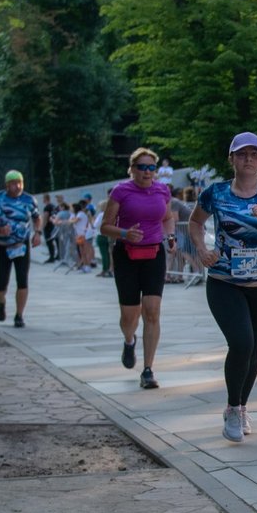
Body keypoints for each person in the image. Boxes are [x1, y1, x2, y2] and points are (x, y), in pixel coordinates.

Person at [189, 131, 257, 442]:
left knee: (253, 350)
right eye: (241, 154)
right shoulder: (216, 192)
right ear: (231, 159)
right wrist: (201, 249)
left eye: (254, 154)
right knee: (241, 343)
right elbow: (195, 222)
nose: (248, 159)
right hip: (225, 281)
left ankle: (241, 406)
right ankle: (232, 408)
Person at [100, 147, 177, 389]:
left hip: (154, 253)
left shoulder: (162, 190)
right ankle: (129, 339)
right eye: (141, 167)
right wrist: (125, 233)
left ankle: (148, 370)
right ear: (132, 169)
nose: (147, 172)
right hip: (126, 255)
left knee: (152, 311)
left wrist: (172, 236)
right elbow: (105, 226)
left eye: (151, 167)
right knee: (129, 315)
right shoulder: (121, 191)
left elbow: (167, 217)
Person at [0, 170, 42, 327]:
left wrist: (37, 233)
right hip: (2, 245)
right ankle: (1, 302)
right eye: (14, 183)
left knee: (22, 280)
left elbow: (37, 218)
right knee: (1, 282)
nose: (18, 186)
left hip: (21, 245)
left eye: (20, 183)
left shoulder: (29, 200)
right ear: (7, 185)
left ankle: (19, 315)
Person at [93, 199, 113, 278]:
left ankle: (105, 269)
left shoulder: (101, 214)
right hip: (108, 234)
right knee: (108, 254)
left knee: (104, 254)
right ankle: (108, 269)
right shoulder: (110, 213)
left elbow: (96, 225)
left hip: (101, 234)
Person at [41, 193, 59, 262]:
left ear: (45, 199)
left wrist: (43, 227)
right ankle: (58, 255)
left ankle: (51, 257)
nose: (43, 200)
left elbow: (46, 217)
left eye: (43, 198)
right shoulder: (54, 206)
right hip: (54, 226)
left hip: (48, 227)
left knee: (49, 242)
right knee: (56, 241)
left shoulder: (47, 207)